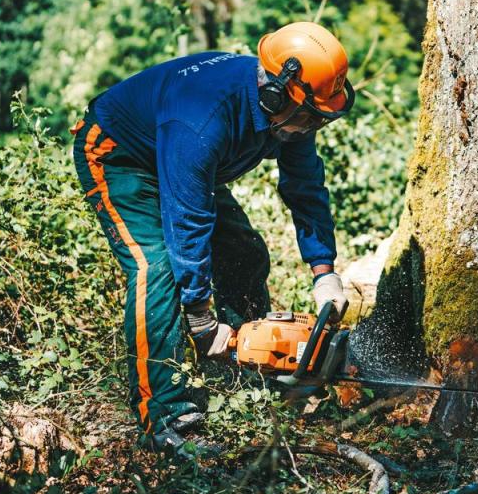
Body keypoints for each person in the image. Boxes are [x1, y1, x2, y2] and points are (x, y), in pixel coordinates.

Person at [70, 22, 353, 453]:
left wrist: (323, 272)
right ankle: (164, 415)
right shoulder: (204, 119)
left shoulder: (293, 113)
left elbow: (306, 187)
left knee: (245, 252)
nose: (315, 125)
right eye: (312, 116)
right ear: (276, 94)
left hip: (184, 160)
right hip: (121, 156)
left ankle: (244, 364)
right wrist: (200, 316)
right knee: (158, 271)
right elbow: (190, 219)